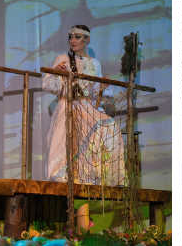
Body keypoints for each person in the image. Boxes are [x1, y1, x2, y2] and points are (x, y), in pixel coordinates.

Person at [42, 25, 124, 187]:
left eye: (77, 37)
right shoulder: (62, 59)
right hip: (69, 104)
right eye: (71, 37)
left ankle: (108, 176)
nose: (73, 41)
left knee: (110, 126)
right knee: (68, 136)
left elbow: (95, 94)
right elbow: (50, 86)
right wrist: (57, 73)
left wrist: (103, 87)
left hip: (88, 107)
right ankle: (62, 174)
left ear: (87, 40)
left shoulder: (95, 64)